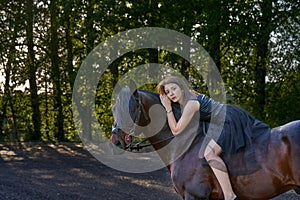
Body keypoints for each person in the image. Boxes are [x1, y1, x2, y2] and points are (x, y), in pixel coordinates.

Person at [157, 76, 270, 200]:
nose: (171, 93)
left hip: (227, 120)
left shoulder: (191, 104)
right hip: (223, 119)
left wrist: (168, 108)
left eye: (174, 88)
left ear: (182, 88)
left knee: (210, 153)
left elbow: (176, 130)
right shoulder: (188, 98)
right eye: (167, 92)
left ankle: (230, 196)